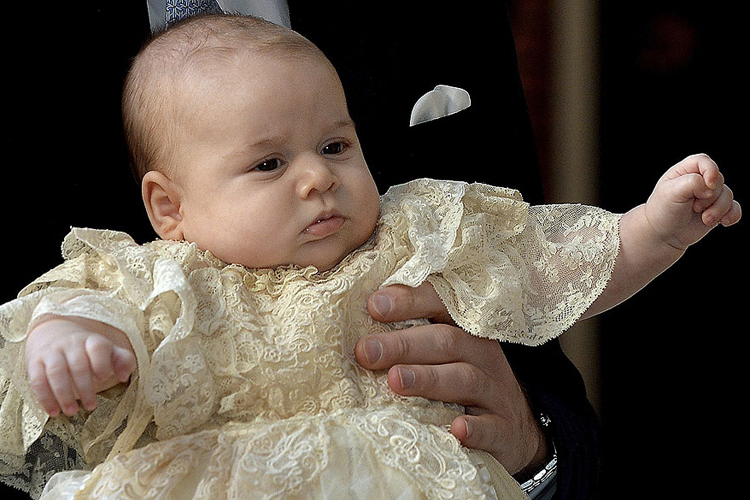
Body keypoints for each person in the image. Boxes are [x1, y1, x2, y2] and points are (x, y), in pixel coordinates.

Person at [0, 14, 740, 500]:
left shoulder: (408, 234)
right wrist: (73, 341)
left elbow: (551, 265)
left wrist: (654, 229)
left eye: (334, 146)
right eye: (268, 165)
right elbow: (72, 304)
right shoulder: (162, 273)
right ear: (170, 208)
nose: (318, 177)